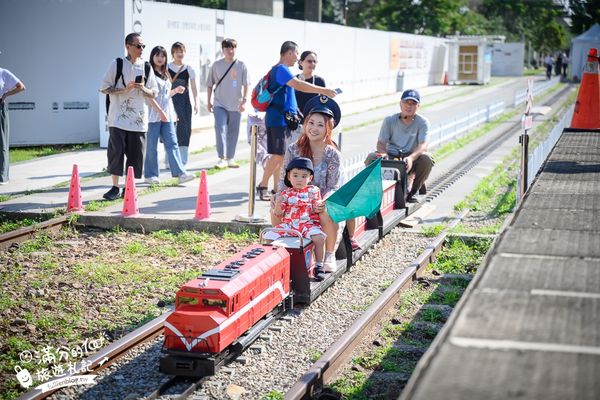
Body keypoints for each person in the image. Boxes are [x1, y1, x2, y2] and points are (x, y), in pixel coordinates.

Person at [273, 95, 361, 272]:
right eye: (311, 123)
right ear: (305, 124)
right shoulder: (293, 149)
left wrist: (323, 201)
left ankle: (328, 254)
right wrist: (280, 198)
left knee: (326, 211)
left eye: (320, 125)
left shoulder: (332, 154)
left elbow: (333, 186)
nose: (314, 128)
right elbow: (284, 181)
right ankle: (281, 248)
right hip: (298, 199)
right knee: (276, 204)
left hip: (322, 200)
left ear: (328, 129)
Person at [257, 40, 337, 202]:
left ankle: (275, 189)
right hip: (277, 120)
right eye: (296, 54)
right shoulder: (280, 69)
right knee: (278, 156)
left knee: (282, 156)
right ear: (288, 53)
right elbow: (299, 85)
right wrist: (324, 91)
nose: (297, 58)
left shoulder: (283, 70)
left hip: (283, 121)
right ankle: (262, 186)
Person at [100, 33, 158, 200]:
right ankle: (114, 187)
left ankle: (129, 187)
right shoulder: (117, 64)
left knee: (136, 156)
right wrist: (123, 90)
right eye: (138, 46)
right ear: (128, 46)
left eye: (143, 46)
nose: (141, 49)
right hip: (117, 118)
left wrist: (142, 88)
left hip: (139, 121)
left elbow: (153, 93)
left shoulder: (146, 67)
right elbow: (104, 88)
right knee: (115, 153)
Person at [264, 157, 328, 281]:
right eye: (295, 175)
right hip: (289, 225)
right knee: (268, 236)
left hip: (307, 223)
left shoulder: (313, 191)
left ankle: (319, 265)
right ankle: (269, 264)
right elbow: (279, 214)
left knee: (319, 238)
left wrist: (320, 205)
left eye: (304, 176)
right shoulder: (285, 194)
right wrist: (277, 204)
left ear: (310, 178)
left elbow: (316, 207)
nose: (299, 179)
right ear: (289, 177)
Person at [365, 89, 434, 203]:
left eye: (413, 104)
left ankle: (414, 191)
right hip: (392, 156)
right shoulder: (390, 120)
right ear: (400, 103)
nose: (409, 106)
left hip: (411, 158)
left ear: (418, 106)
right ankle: (374, 190)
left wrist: (411, 158)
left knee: (427, 159)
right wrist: (383, 154)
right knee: (372, 157)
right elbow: (381, 143)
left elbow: (423, 145)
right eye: (406, 102)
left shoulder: (423, 122)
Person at [144, 46, 195, 185]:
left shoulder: (166, 74)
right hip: (153, 116)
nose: (160, 58)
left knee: (173, 144)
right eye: (157, 55)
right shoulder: (148, 73)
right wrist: (160, 112)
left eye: (163, 56)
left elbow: (165, 95)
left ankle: (181, 173)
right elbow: (148, 96)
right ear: (152, 57)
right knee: (152, 146)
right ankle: (150, 175)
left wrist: (175, 91)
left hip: (168, 115)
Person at [206, 38, 250, 169]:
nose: (230, 51)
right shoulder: (216, 65)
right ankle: (222, 158)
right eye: (227, 48)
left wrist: (244, 101)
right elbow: (209, 84)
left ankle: (231, 158)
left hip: (236, 104)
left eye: (233, 48)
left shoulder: (241, 65)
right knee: (220, 129)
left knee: (233, 132)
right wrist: (208, 101)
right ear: (223, 50)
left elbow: (246, 84)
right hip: (219, 103)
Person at [169, 41, 198, 166]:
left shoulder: (188, 69)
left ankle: (183, 160)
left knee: (185, 130)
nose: (179, 54)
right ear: (172, 54)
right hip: (170, 103)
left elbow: (194, 87)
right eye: (177, 52)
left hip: (185, 104)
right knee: (170, 131)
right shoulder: (166, 68)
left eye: (181, 51)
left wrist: (196, 103)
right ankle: (169, 161)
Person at [0, 62, 26, 185]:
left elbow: (21, 86)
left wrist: (5, 94)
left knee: (1, 142)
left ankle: (2, 176)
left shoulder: (3, 73)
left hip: (0, 108)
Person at [293, 50, 325, 142]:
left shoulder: (319, 81)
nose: (312, 64)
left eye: (315, 61)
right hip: (296, 124)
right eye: (309, 61)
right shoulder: (294, 80)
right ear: (301, 62)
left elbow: (323, 103)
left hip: (313, 126)